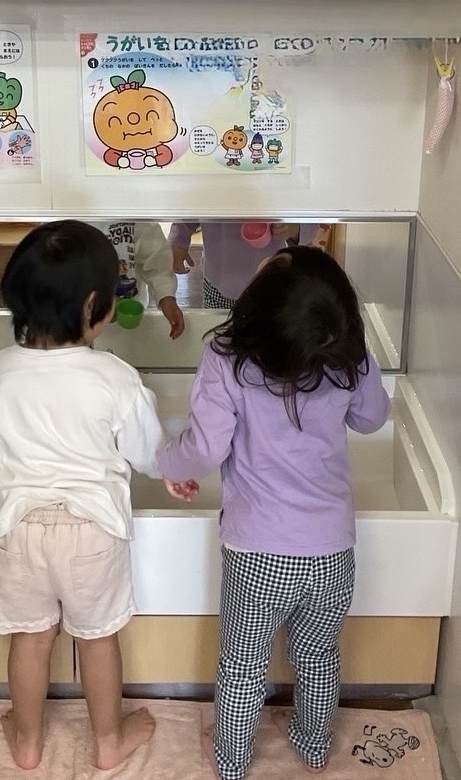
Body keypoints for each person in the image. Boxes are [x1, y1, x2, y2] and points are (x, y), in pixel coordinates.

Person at [158, 246, 391, 780]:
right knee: (318, 657)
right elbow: (373, 418)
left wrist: (167, 463)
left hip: (257, 553)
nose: (267, 258)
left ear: (257, 306)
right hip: (333, 553)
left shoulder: (226, 357)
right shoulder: (345, 358)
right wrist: (359, 355)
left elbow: (203, 449)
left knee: (243, 667)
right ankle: (313, 747)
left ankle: (232, 761)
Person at [0, 220, 185, 771]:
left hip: (15, 527)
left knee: (30, 638)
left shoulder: (2, 367)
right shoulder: (114, 376)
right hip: (90, 530)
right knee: (97, 639)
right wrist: (173, 470)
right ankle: (108, 741)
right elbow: (147, 452)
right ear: (95, 305)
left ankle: (27, 741)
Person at [168, 221, 330, 308]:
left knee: (267, 340)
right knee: (218, 336)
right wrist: (178, 239)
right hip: (219, 282)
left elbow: (308, 219)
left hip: (269, 287)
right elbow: (193, 201)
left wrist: (294, 228)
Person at [93, 220, 185, 339]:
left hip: (131, 314)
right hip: (82, 318)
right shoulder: (75, 219)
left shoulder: (140, 220)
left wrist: (166, 297)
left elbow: (157, 265)